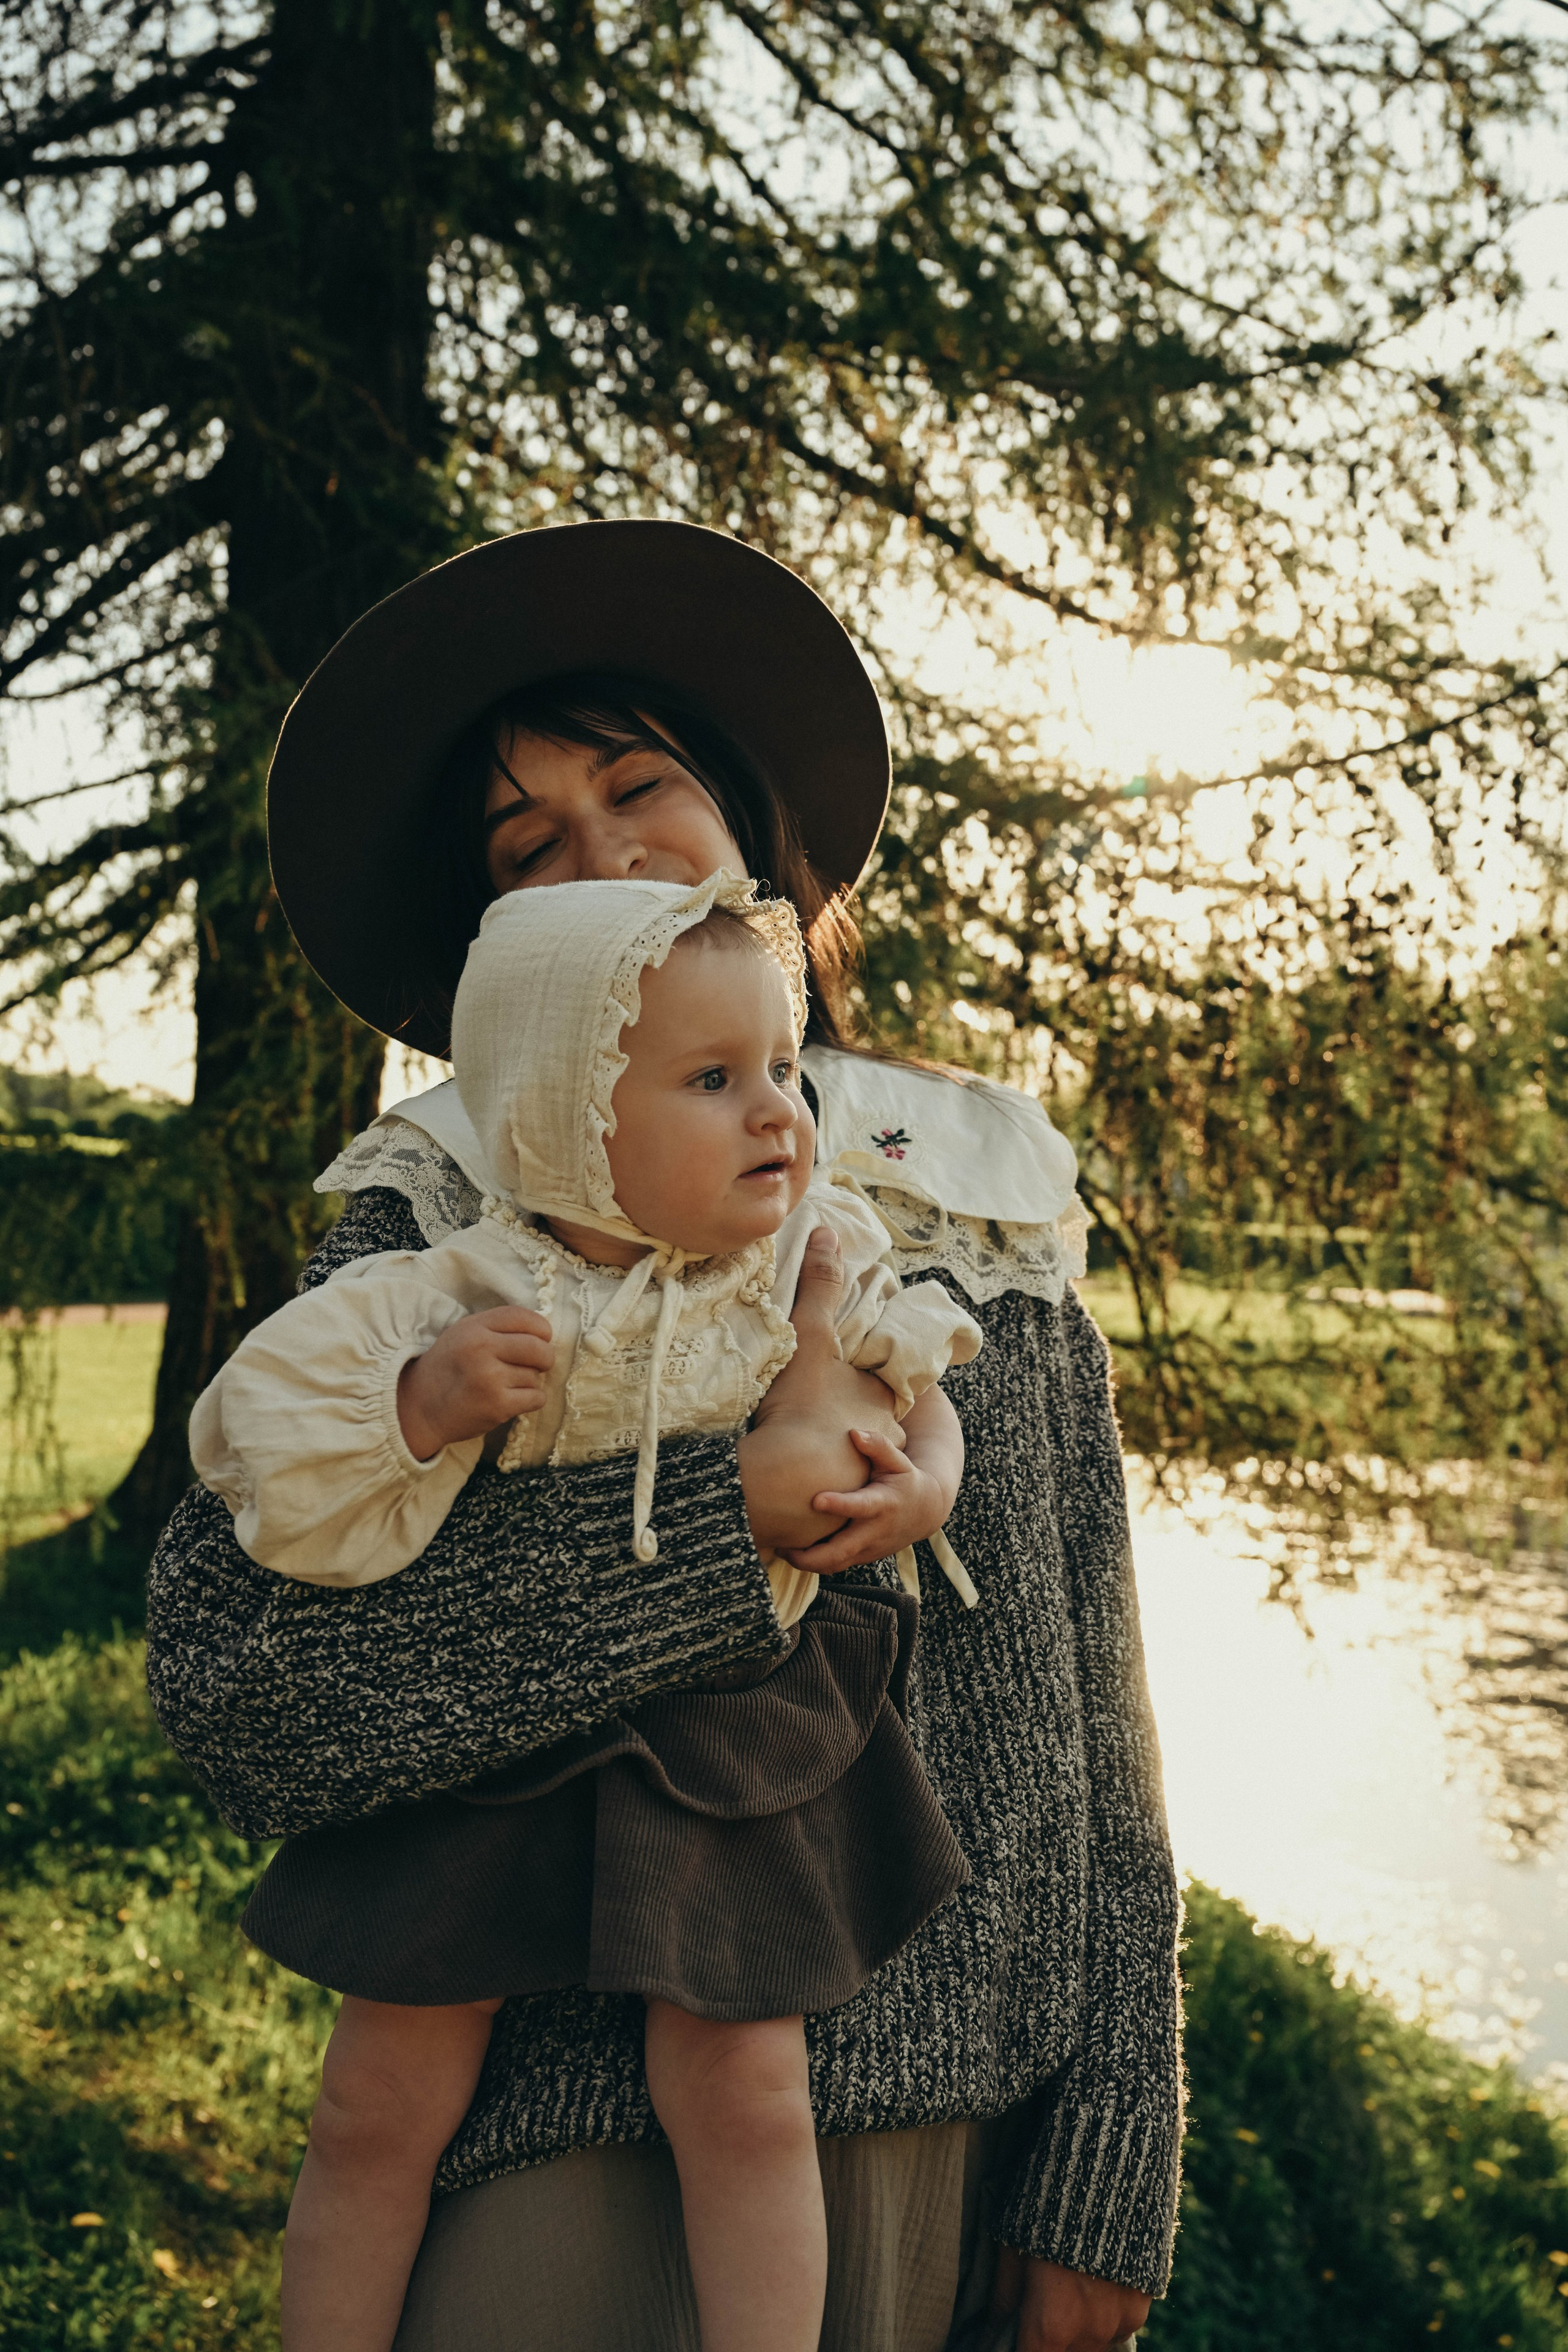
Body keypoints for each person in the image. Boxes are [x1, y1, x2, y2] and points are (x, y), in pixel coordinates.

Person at [146, 521, 1180, 2351]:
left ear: (752, 836)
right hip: (567, 2148)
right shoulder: (440, 1220)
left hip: (974, 2135)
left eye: (643, 791)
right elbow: (247, 1694)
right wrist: (728, 1534)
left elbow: (1099, 1698)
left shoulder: (978, 1190)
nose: (604, 857)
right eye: (527, 848)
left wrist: (1110, 2140)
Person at [189, 873, 981, 2352]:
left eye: (774, 1072)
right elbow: (262, 1440)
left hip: (733, 1717)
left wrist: (922, 1490)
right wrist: (419, 1403)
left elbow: (925, 1384)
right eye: (709, 1080)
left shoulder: (809, 1255)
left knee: (746, 2089)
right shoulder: (465, 1281)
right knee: (377, 2101)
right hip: (499, 1726)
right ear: (565, 1121)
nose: (775, 1117)